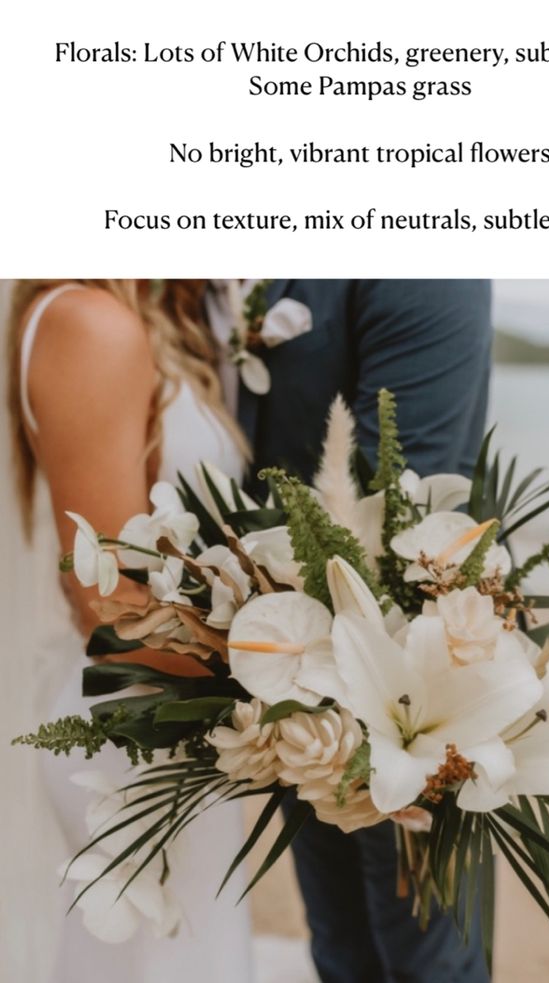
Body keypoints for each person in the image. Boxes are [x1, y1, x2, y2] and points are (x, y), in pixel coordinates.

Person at [206, 278, 493, 983]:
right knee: (339, 950)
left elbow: (406, 485)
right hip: (290, 672)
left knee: (429, 962)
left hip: (417, 676)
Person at [6, 280, 254, 983]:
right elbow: (109, 607)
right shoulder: (89, 323)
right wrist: (301, 685)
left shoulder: (166, 320)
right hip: (128, 734)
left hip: (181, 730)